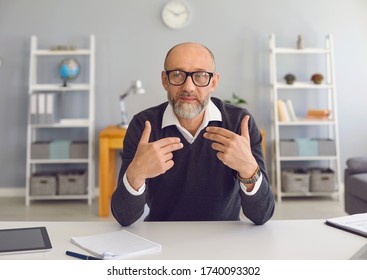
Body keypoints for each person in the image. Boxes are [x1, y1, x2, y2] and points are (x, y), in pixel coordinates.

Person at [111, 42, 275, 226]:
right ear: (165, 80)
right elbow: (124, 218)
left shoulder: (240, 124)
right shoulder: (144, 126)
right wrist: (136, 175)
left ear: (213, 82)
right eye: (178, 75)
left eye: (200, 76)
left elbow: (262, 215)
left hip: (225, 239)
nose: (188, 86)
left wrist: (249, 171)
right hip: (161, 238)